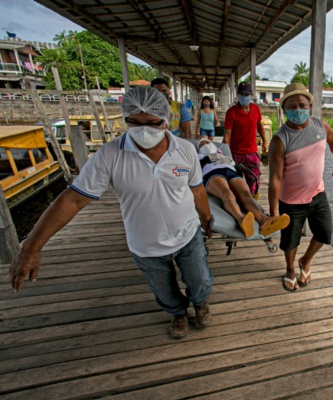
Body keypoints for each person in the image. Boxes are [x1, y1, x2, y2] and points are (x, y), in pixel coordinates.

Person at [9, 87, 213, 339]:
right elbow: (72, 200)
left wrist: (206, 218)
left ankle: (200, 303)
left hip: (187, 234)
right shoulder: (109, 155)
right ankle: (178, 312)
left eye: (152, 123)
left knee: (200, 280)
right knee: (163, 290)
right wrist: (31, 246)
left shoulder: (185, 150)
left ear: (166, 120)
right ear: (125, 117)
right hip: (145, 245)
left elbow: (197, 190)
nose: (144, 130)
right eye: (134, 123)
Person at [268, 83, 333, 292]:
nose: (297, 110)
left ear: (309, 105)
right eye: (292, 107)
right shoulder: (279, 139)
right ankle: (290, 269)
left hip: (318, 194)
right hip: (291, 201)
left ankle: (305, 261)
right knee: (290, 241)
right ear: (284, 110)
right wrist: (273, 211)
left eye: (302, 105)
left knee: (325, 233)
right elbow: (274, 177)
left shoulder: (321, 126)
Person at [198, 139, 289, 238]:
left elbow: (237, 167)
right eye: (202, 145)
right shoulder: (197, 157)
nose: (206, 145)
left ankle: (264, 220)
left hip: (231, 172)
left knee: (246, 195)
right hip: (212, 173)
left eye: (208, 143)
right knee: (227, 194)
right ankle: (241, 220)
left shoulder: (225, 156)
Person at [223, 82, 267, 196]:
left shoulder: (256, 109)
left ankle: (253, 205)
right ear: (238, 95)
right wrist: (225, 154)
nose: (244, 96)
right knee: (234, 182)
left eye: (247, 94)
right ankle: (238, 206)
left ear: (251, 95)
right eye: (242, 94)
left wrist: (264, 141)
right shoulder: (231, 112)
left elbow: (259, 125)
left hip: (252, 153)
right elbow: (227, 135)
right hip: (235, 154)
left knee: (254, 182)